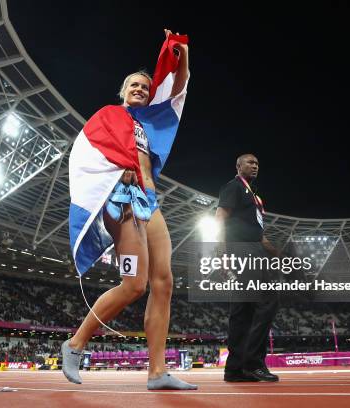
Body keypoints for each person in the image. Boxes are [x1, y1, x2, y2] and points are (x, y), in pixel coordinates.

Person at [63, 29, 195, 390]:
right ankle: (74, 345)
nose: (139, 89)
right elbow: (85, 155)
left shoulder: (149, 124)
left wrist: (181, 51)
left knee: (163, 282)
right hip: (121, 202)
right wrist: (112, 175)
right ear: (122, 92)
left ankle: (157, 372)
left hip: (149, 203)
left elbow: (179, 86)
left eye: (144, 87)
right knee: (134, 285)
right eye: (133, 86)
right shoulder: (108, 116)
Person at [215, 154, 280, 382]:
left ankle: (235, 369)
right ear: (238, 166)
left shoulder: (253, 198)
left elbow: (259, 236)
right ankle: (252, 363)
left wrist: (280, 254)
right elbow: (220, 218)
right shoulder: (233, 187)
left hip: (254, 251)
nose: (255, 166)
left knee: (244, 311)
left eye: (258, 164)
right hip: (242, 252)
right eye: (250, 162)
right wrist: (221, 253)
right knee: (266, 300)